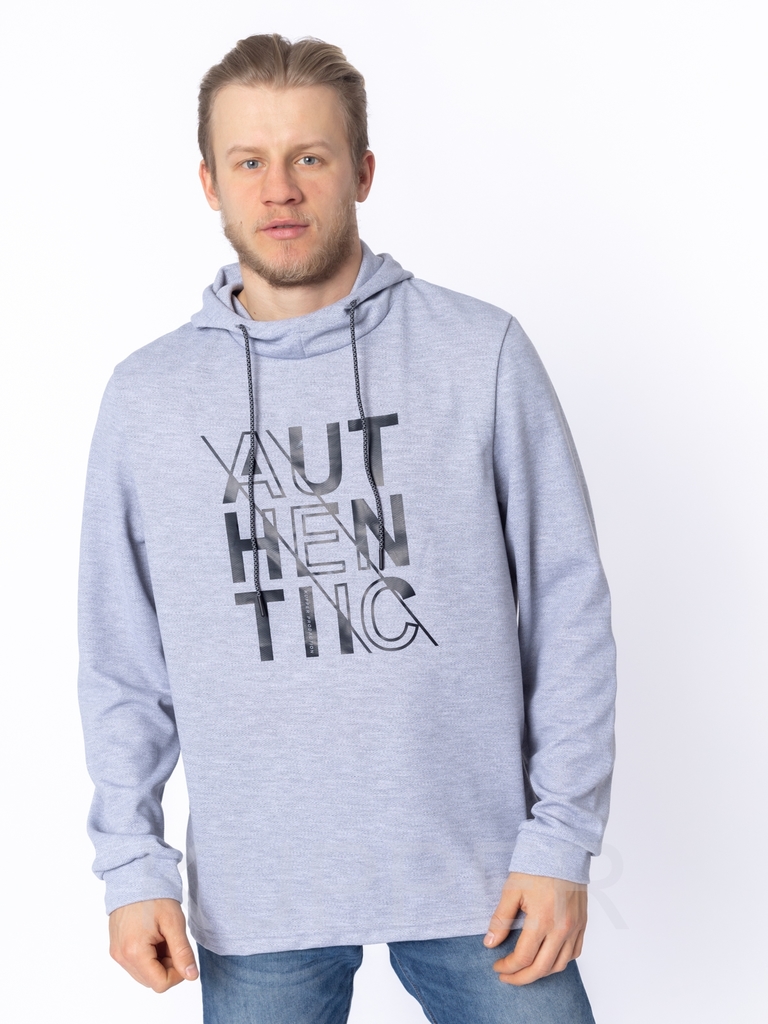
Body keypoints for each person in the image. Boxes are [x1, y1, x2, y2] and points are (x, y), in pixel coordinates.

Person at [78, 33, 616, 1024]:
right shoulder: (149, 399)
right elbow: (122, 660)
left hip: (484, 875)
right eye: (250, 161)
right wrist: (130, 863)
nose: (280, 189)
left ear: (363, 172)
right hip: (260, 895)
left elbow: (567, 606)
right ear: (210, 183)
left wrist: (561, 839)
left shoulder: (480, 353)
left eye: (311, 157)